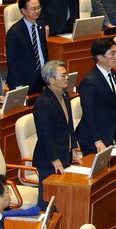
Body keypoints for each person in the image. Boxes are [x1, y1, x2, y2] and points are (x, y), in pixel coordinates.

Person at [33, 60, 80, 191]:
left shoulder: (64, 95)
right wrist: (55, 160)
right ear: (51, 80)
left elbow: (69, 125)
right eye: (63, 75)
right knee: (48, 198)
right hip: (49, 160)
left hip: (64, 153)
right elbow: (44, 135)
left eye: (67, 74)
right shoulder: (43, 102)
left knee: (62, 196)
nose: (67, 78)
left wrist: (73, 148)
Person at [77, 37, 116, 152]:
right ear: (100, 57)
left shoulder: (114, 75)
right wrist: (97, 140)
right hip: (93, 138)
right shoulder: (89, 82)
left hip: (110, 133)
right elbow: (89, 113)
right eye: (112, 54)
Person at [5, 0, 50, 92]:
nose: (37, 11)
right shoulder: (14, 32)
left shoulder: (41, 26)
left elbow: (43, 53)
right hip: (24, 80)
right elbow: (12, 62)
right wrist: (18, 86)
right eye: (33, 9)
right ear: (23, 11)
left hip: (42, 78)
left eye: (39, 7)